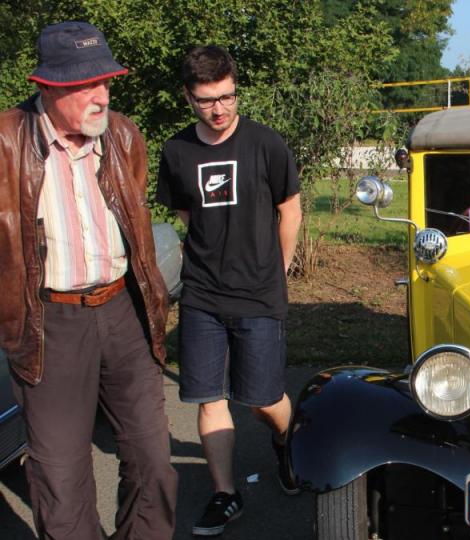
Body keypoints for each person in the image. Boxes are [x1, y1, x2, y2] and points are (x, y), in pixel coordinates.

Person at [0, 21, 177, 539]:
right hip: (47, 321)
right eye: (87, 84)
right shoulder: (6, 143)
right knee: (60, 474)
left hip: (124, 309)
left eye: (107, 81)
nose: (102, 95)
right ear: (48, 87)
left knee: (153, 460)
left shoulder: (121, 134)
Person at [156, 45, 302, 537]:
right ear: (188, 98)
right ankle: (225, 494)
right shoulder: (177, 151)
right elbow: (185, 215)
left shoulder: (266, 144)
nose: (219, 109)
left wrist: (277, 271)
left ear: (236, 89)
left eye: (227, 97)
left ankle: (291, 443)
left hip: (259, 294)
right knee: (209, 398)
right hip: (202, 296)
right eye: (206, 101)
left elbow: (291, 209)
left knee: (262, 398)